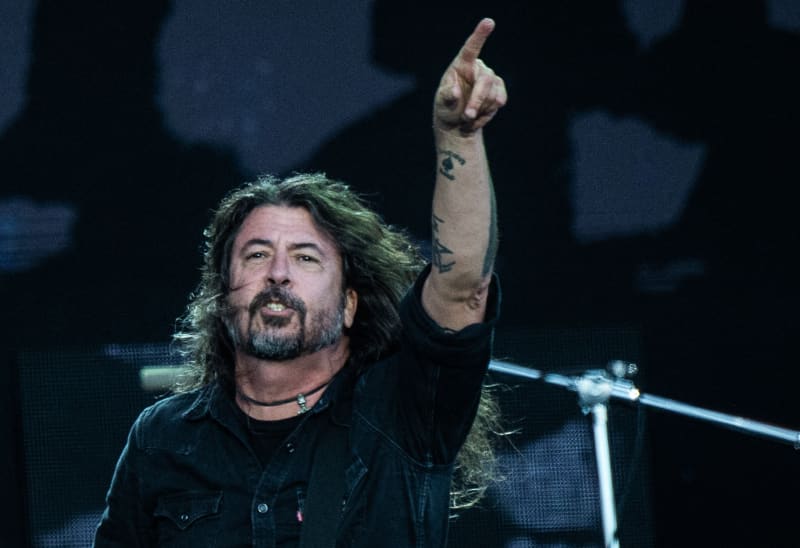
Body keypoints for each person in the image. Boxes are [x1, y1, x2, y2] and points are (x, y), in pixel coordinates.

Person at [94, 17, 507, 548]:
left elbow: (463, 286)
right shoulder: (163, 439)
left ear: (351, 304)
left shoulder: (397, 410)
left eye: (306, 257)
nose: (277, 273)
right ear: (222, 296)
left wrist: (459, 135)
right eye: (256, 254)